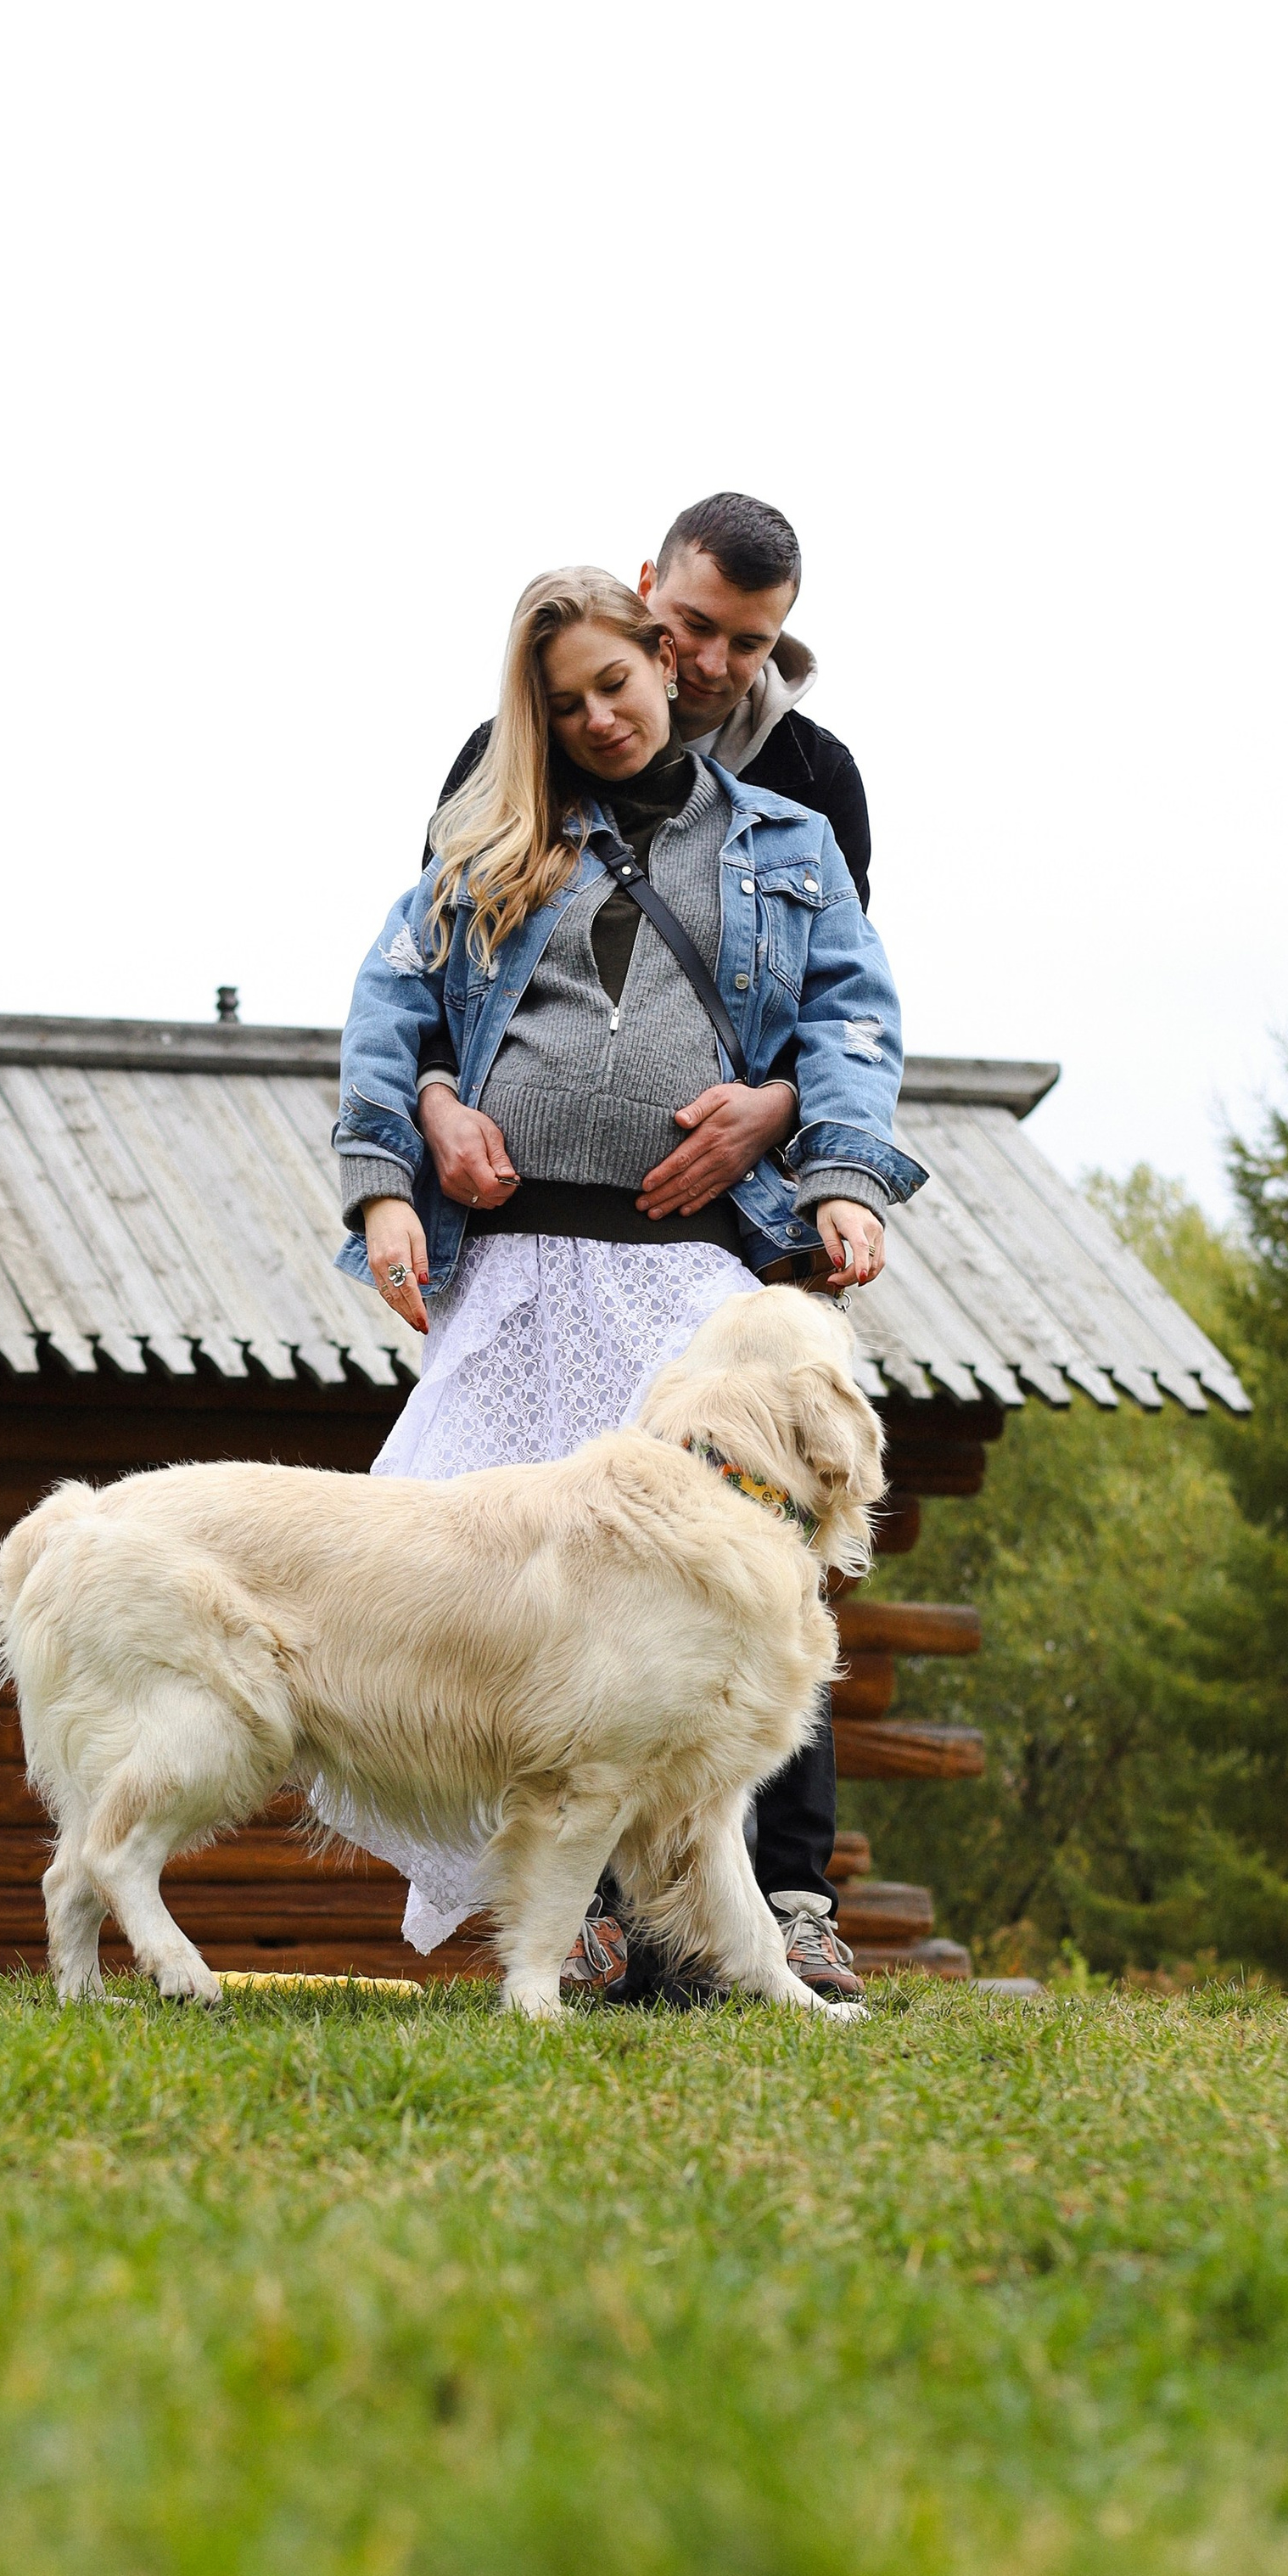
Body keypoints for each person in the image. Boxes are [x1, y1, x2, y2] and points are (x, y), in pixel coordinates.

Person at [332, 562, 924, 1995]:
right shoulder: (494, 829)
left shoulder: (789, 832)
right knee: (481, 1567)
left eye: (617, 684)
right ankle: (580, 1918)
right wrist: (395, 1164)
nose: (599, 714)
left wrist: (838, 1172)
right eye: (565, 700)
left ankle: (782, 1903)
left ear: (663, 662)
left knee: (746, 1563)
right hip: (521, 1264)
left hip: (687, 1272)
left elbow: (850, 1017)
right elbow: (393, 1003)